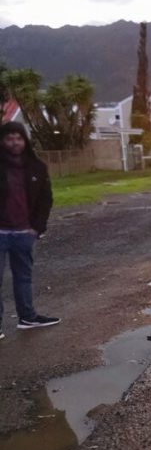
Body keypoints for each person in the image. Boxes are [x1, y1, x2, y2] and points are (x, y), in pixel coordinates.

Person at [0, 121, 60, 340]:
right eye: (9, 138)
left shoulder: (37, 167)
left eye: (18, 138)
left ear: (25, 140)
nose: (14, 142)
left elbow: (46, 199)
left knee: (23, 278)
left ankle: (27, 317)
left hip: (25, 233)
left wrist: (37, 228)